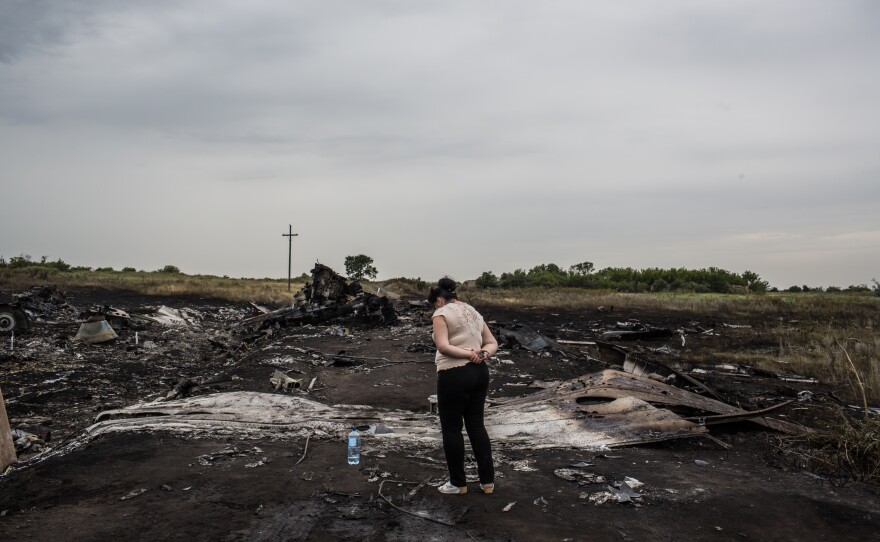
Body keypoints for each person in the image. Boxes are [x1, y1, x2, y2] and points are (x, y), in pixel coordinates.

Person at [429, 277, 498, 495]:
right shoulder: (474, 312)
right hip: (480, 373)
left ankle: (458, 483)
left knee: (451, 429)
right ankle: (487, 482)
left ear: (440, 299)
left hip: (454, 373)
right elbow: (492, 342)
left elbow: (443, 346)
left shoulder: (441, 313)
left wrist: (468, 354)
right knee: (476, 426)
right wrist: (482, 354)